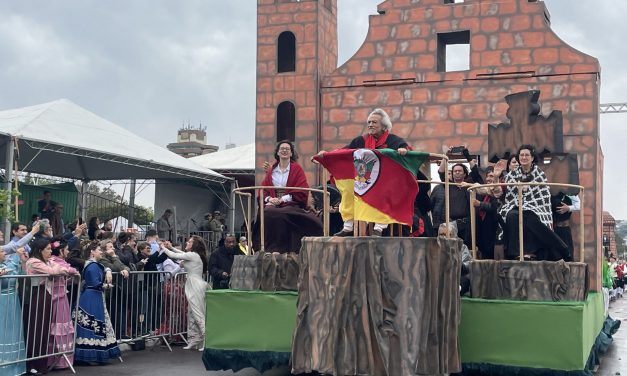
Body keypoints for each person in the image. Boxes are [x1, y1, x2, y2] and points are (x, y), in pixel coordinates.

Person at [314, 108, 409, 237]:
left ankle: (379, 227)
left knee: (383, 188)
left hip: (386, 180)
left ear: (384, 126)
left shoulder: (394, 141)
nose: (370, 125)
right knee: (348, 190)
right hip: (363, 180)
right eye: (369, 122)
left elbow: (405, 151)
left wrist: (403, 150)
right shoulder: (360, 141)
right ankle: (348, 227)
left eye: (374, 122)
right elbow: (344, 152)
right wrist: (326, 155)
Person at [498, 145, 569, 261]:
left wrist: (527, 193)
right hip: (515, 204)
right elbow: (505, 193)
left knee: (529, 216)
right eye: (521, 155)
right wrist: (497, 177)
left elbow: (542, 194)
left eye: (527, 155)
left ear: (532, 158)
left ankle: (537, 251)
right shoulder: (512, 175)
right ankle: (517, 252)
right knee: (511, 216)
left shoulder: (539, 174)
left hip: (536, 206)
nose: (524, 157)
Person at [254, 140, 322, 252]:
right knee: (267, 212)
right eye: (282, 149)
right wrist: (270, 199)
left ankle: (285, 247)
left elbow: (301, 190)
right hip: (273, 201)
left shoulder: (297, 169)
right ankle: (269, 247)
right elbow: (263, 189)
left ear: (291, 153)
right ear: (278, 153)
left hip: (291, 202)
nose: (284, 151)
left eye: (287, 149)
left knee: (280, 213)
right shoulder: (272, 171)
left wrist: (282, 199)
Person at [23, 238, 72, 374]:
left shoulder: (47, 261)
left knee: (44, 330)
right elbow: (54, 271)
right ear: (40, 250)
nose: (51, 252)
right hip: (36, 296)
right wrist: (56, 268)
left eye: (51, 249)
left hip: (46, 296)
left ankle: (42, 364)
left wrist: (57, 268)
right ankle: (32, 364)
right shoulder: (33, 262)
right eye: (48, 249)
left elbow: (63, 269)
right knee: (36, 330)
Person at [74, 241, 121, 364]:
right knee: (93, 324)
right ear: (92, 252)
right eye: (99, 250)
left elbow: (102, 268)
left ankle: (89, 354)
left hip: (91, 296)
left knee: (91, 324)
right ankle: (92, 354)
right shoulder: (92, 266)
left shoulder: (92, 265)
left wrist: (108, 269)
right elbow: (95, 283)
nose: (101, 252)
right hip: (92, 297)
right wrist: (107, 285)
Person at [162, 236, 209, 350]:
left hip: (195, 285)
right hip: (193, 284)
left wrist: (163, 247)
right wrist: (171, 247)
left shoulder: (193, 255)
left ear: (194, 245)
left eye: (190, 241)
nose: (187, 243)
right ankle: (194, 339)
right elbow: (181, 253)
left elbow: (175, 255)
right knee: (191, 313)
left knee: (197, 313)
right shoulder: (194, 255)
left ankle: (207, 341)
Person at [47, 239, 80, 370]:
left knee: (63, 326)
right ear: (61, 251)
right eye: (66, 249)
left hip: (62, 297)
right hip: (56, 299)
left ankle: (63, 359)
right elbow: (69, 270)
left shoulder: (61, 262)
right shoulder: (54, 262)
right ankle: (56, 359)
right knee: (57, 327)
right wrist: (72, 272)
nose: (68, 251)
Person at [0, 246, 28, 376]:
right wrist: (16, 256)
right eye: (1, 251)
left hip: (13, 302)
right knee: (3, 334)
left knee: (15, 332)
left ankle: (16, 368)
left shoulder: (7, 264)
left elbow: (22, 276)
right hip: (2, 303)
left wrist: (22, 262)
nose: (4, 252)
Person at [551, 192, 580, 261]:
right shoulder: (550, 193)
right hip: (554, 229)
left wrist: (568, 208)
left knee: (568, 253)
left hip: (565, 229)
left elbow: (579, 205)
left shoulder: (569, 192)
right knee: (555, 255)